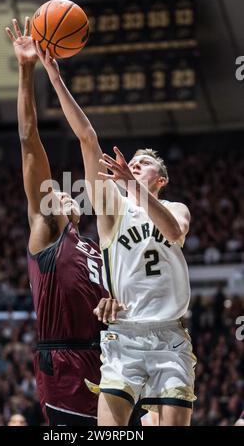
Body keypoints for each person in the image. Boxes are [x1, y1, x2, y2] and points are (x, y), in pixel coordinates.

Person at [36, 45, 196, 426]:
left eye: (144, 164)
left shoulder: (175, 208)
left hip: (170, 337)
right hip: (122, 336)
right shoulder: (112, 209)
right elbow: (88, 138)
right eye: (132, 161)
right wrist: (56, 79)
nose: (134, 164)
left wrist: (134, 187)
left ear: (161, 179)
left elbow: (173, 232)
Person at [5, 18, 107, 426]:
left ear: (79, 211)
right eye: (57, 192)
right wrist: (27, 70)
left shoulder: (97, 246)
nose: (62, 193)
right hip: (62, 361)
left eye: (69, 194)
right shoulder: (47, 230)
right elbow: (30, 139)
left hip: (107, 357)